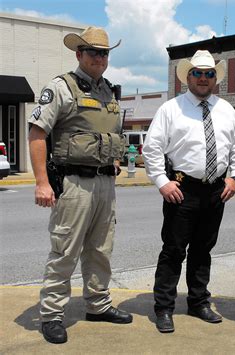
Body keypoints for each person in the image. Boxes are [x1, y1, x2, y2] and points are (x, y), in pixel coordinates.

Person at [28, 27, 132, 345]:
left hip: (105, 184)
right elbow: (36, 134)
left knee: (101, 249)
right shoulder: (61, 87)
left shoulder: (108, 92)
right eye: (93, 52)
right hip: (73, 183)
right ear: (79, 54)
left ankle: (98, 305)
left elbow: (109, 135)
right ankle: (52, 314)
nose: (100, 58)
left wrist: (113, 160)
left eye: (104, 53)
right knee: (65, 251)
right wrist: (42, 183)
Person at [142, 50, 235, 333]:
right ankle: (164, 307)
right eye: (198, 73)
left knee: (204, 249)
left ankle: (199, 301)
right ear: (187, 77)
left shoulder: (225, 109)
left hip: (216, 190)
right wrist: (162, 182)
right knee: (174, 250)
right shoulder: (171, 109)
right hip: (182, 189)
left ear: (215, 78)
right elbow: (152, 148)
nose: (203, 78)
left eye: (209, 74)